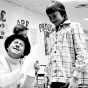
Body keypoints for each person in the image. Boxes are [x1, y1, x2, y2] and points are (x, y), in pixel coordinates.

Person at [45, 1, 88, 88]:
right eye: (50, 17)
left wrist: (75, 77)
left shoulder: (74, 27)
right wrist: (47, 75)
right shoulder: (52, 32)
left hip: (69, 80)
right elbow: (52, 55)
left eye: (54, 16)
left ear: (63, 14)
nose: (52, 20)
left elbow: (82, 53)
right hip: (53, 80)